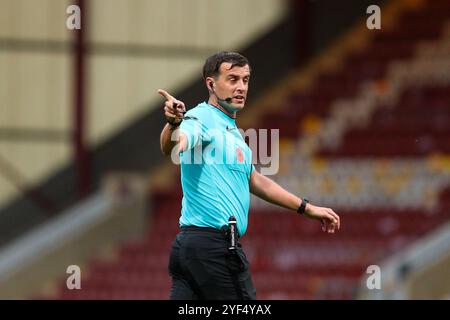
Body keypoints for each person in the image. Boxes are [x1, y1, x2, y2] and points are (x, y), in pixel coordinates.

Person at [158, 51, 340, 300]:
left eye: (245, 80)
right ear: (211, 84)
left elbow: (255, 180)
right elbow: (174, 145)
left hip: (190, 248)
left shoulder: (231, 131)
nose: (241, 87)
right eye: (232, 79)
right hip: (214, 248)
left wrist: (307, 208)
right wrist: (173, 124)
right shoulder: (200, 118)